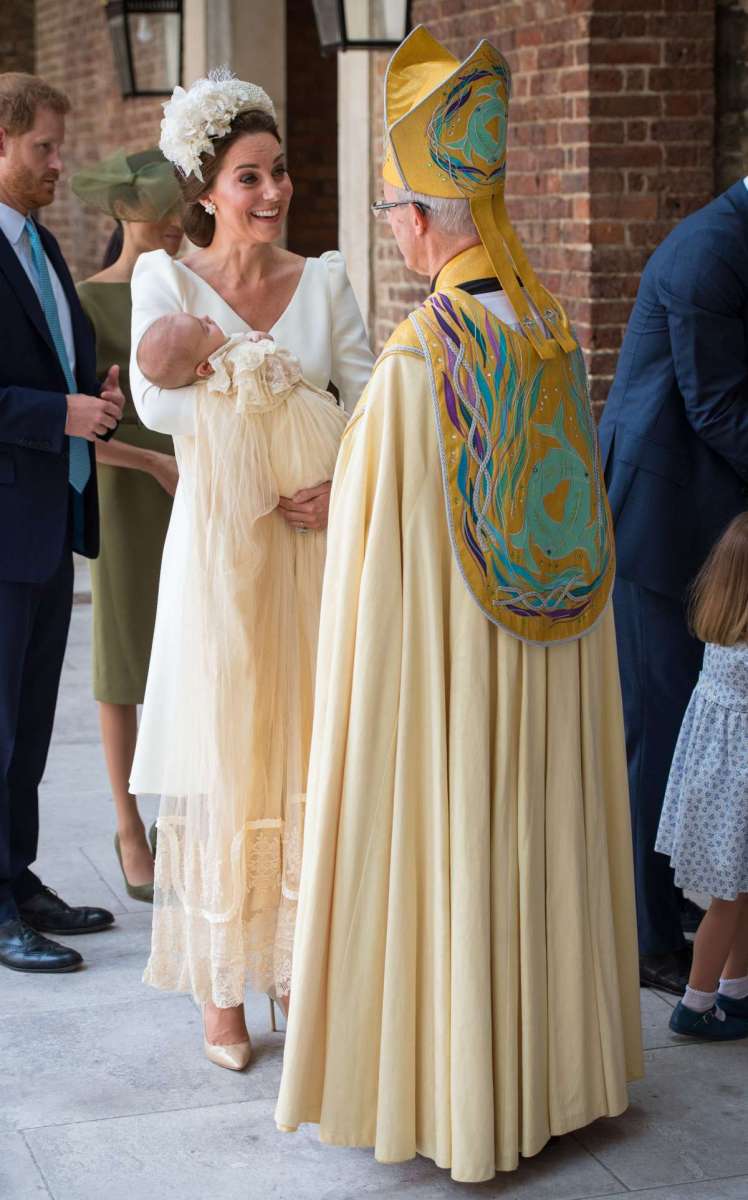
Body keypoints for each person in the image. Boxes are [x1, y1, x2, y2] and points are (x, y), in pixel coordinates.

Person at [275, 27, 643, 1183]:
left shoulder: (415, 367)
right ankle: (558, 1079)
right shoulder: (546, 331)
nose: (391, 230)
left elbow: (375, 588)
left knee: (462, 845)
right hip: (548, 663)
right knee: (539, 843)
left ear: (423, 220)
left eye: (390, 211)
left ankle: (469, 1094)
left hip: (454, 682)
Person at [128, 69, 374, 1066]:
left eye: (280, 172)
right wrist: (222, 370)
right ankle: (220, 988)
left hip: (311, 548)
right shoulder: (166, 283)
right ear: (205, 188)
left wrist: (343, 484)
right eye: (249, 177)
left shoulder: (326, 280)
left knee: (307, 743)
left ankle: (293, 967)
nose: (273, 193)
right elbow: (157, 404)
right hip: (222, 552)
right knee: (228, 750)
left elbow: (368, 402)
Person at [599, 174, 748, 996]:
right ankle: (647, 934)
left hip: (705, 518)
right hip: (657, 522)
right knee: (657, 732)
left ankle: (684, 905)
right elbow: (718, 406)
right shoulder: (709, 253)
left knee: (698, 725)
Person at [0, 73, 125, 973]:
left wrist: (95, 394)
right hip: (5, 528)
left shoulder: (40, 243)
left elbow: (55, 360)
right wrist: (59, 415)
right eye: (43, 147)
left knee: (31, 723)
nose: (58, 163)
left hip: (47, 523)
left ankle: (17, 876)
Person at [71, 148, 182, 904]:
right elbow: (80, 424)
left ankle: (183, 818)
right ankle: (128, 826)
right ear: (123, 209)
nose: (174, 221)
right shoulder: (87, 300)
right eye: (158, 206)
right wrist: (148, 464)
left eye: (180, 206)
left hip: (192, 482)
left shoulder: (190, 288)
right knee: (122, 660)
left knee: (189, 651)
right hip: (124, 489)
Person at [655, 513, 748, 1040]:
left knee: (740, 893)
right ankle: (695, 1005)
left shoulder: (724, 634)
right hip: (735, 793)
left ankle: (736, 989)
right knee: (727, 902)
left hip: (720, 785)